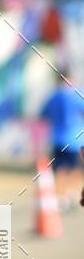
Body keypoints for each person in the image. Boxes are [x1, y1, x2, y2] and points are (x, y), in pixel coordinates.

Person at [40, 73, 84, 211]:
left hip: (58, 139)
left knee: (60, 169)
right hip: (76, 140)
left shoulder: (54, 96)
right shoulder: (77, 94)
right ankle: (73, 194)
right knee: (77, 168)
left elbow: (43, 114)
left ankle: (61, 197)